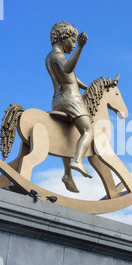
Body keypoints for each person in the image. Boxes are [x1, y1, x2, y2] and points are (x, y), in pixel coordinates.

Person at [45, 21, 93, 186]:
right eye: (72, 41)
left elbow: (71, 77)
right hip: (71, 99)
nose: (73, 45)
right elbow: (67, 70)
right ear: (62, 37)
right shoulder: (59, 56)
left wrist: (88, 86)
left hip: (57, 100)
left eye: (75, 42)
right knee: (87, 131)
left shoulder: (50, 57)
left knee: (65, 138)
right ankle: (78, 160)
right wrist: (80, 47)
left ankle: (67, 174)